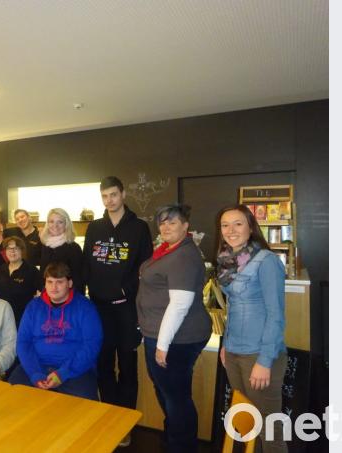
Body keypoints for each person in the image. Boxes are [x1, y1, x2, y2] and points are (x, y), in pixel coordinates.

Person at [82, 176, 153, 447]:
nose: (109, 200)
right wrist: (89, 289)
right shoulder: (95, 227)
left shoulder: (139, 227)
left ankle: (125, 425)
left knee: (127, 366)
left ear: (122, 194)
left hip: (126, 309)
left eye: (113, 194)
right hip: (99, 307)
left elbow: (145, 266)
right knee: (103, 365)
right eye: (104, 196)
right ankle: (108, 417)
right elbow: (88, 261)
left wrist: (127, 290)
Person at [136, 205, 211, 453]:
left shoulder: (184, 256)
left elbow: (179, 305)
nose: (166, 227)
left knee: (176, 397)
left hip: (177, 339)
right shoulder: (167, 250)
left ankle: (182, 446)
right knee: (167, 392)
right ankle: (173, 438)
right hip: (160, 333)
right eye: (162, 223)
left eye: (172, 222)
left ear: (185, 226)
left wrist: (162, 345)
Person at [216, 204, 287, 453]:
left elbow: (276, 315)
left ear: (250, 226)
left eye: (238, 223)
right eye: (225, 225)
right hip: (234, 351)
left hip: (259, 354)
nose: (231, 230)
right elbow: (233, 308)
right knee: (248, 425)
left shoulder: (266, 261)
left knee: (270, 430)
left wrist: (265, 361)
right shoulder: (228, 261)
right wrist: (226, 344)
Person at [8, 262, 103, 400]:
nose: (54, 287)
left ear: (69, 283)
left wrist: (63, 373)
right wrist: (35, 373)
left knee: (86, 410)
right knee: (11, 395)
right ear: (45, 284)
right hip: (37, 366)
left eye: (59, 282)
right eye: (50, 282)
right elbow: (23, 343)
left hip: (74, 370)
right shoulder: (34, 306)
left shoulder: (85, 307)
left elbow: (92, 345)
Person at [0, 236, 42, 326]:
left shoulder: (31, 270)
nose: (12, 251)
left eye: (16, 248)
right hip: (1, 318)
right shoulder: (2, 269)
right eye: (9, 248)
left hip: (23, 320)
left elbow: (42, 293)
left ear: (22, 251)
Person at [39, 208, 84, 294]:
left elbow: (78, 280)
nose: (55, 225)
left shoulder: (73, 248)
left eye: (60, 222)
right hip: (48, 296)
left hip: (68, 298)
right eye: (51, 222)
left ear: (66, 225)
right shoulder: (45, 246)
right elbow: (43, 275)